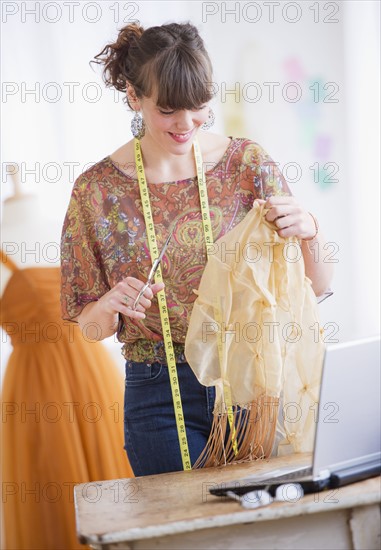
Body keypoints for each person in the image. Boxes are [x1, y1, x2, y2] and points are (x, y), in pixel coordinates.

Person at [60, 21, 333, 477]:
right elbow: (89, 331)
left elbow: (319, 287)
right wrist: (109, 306)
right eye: (168, 110)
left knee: (257, 534)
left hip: (249, 379)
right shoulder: (96, 192)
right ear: (133, 95)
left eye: (198, 107)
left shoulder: (248, 165)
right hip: (157, 393)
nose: (186, 124)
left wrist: (310, 235)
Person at [1, 172, 133, 550]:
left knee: (116, 479)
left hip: (94, 374)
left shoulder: (70, 229)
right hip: (37, 388)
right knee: (55, 484)